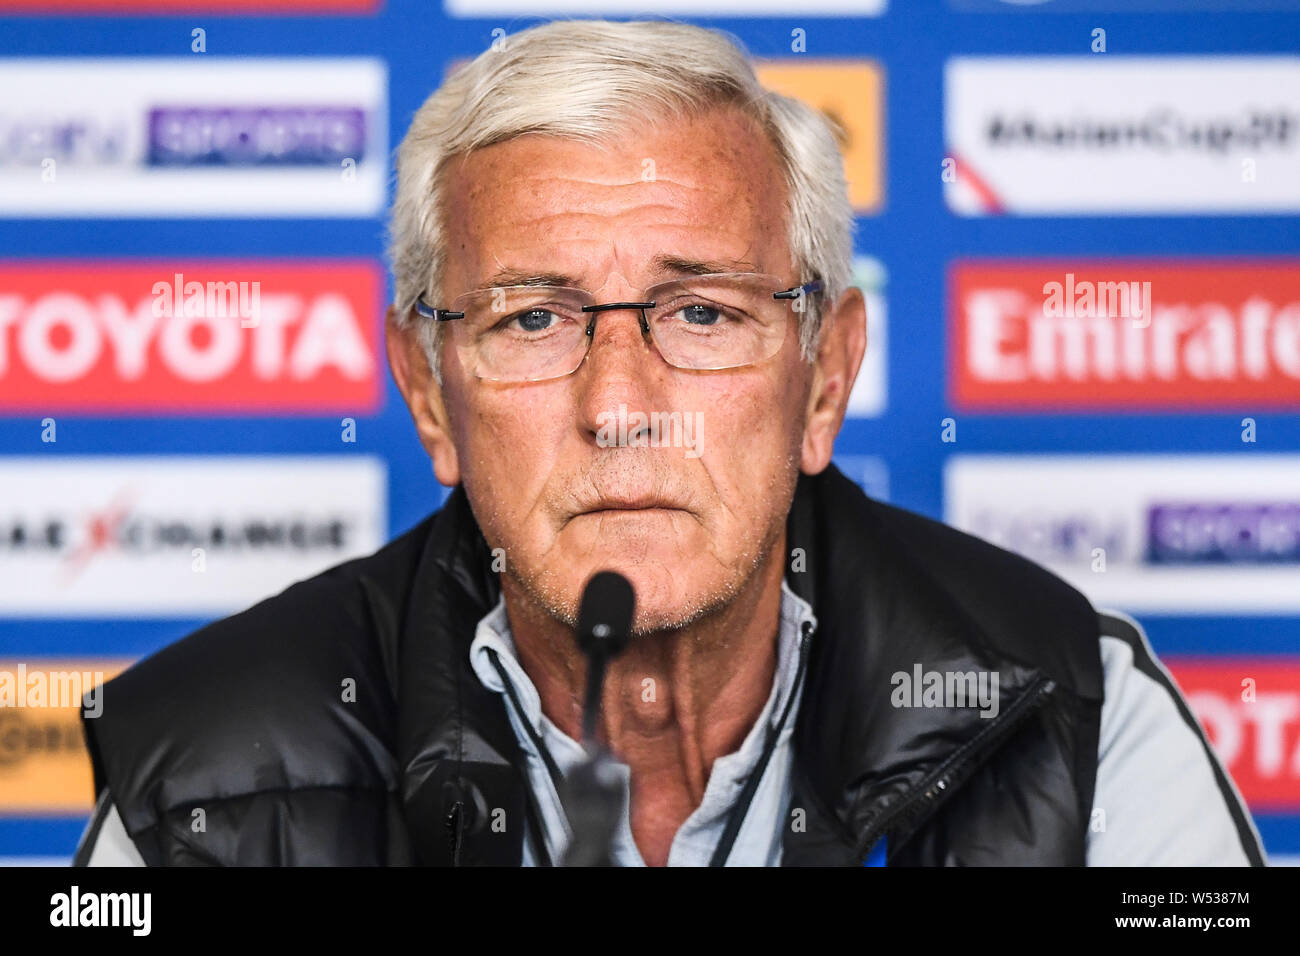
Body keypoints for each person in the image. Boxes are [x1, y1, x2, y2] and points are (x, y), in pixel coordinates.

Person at [74, 18, 1264, 867]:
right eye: (532, 318)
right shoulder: (204, 778)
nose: (623, 404)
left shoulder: (1069, 716)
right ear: (430, 395)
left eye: (702, 313)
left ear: (824, 380)